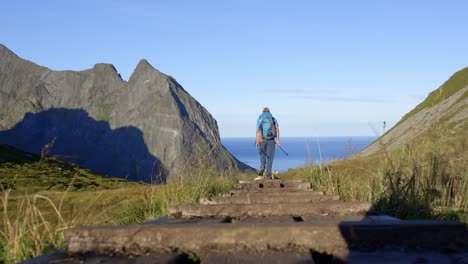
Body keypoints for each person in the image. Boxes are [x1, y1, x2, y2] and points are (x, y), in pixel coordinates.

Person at [255, 107, 280, 180]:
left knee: (262, 154)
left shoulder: (259, 119)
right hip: (271, 140)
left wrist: (257, 140)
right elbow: (277, 130)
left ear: (262, 112)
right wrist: (278, 140)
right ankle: (268, 173)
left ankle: (263, 166)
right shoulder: (273, 119)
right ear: (269, 112)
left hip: (262, 140)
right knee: (270, 157)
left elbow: (257, 131)